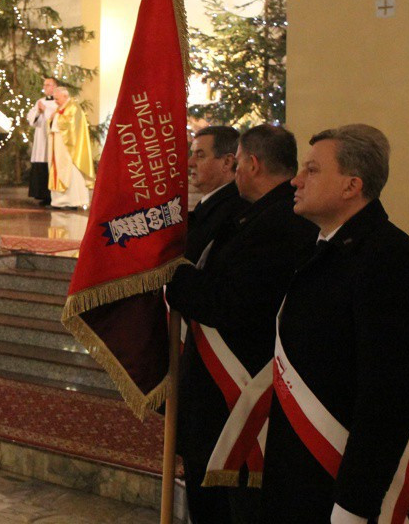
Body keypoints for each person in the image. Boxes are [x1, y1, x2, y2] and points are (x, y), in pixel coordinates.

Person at [260, 124, 409, 524]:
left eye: (313, 170)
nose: (296, 181)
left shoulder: (389, 259)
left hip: (341, 489)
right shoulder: (327, 249)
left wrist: (354, 506)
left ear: (351, 185)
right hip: (304, 475)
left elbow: (388, 399)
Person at [165, 125, 317, 524]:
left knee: (227, 507)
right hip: (221, 395)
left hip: (235, 395)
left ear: (250, 163)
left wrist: (171, 276)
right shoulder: (261, 215)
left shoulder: (277, 223)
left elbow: (228, 303)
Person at [185, 126, 247, 263]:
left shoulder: (232, 212)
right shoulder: (212, 204)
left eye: (200, 155)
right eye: (192, 154)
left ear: (227, 162)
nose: (190, 162)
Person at [48, 87, 94, 210]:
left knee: (71, 172)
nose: (56, 101)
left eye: (57, 99)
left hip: (70, 149)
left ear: (64, 96)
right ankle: (59, 201)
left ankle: (73, 202)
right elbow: (54, 122)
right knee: (58, 169)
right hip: (59, 146)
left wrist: (56, 118)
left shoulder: (73, 107)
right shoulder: (61, 108)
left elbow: (71, 125)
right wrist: (53, 118)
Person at [27, 76, 58, 206]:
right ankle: (42, 195)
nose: (45, 87)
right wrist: (39, 112)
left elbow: (57, 116)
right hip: (41, 137)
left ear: (55, 87)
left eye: (48, 85)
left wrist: (45, 110)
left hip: (53, 137)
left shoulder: (59, 101)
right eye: (44, 85)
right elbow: (31, 119)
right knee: (41, 162)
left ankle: (52, 196)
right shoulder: (40, 101)